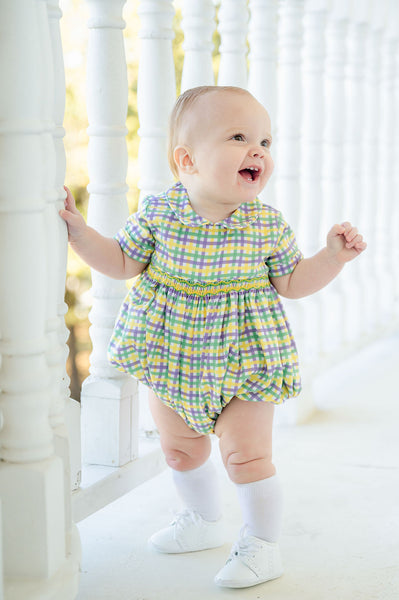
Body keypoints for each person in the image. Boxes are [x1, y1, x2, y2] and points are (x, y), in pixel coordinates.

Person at [60, 85, 367, 589]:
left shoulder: (266, 225)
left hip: (246, 358)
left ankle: (264, 544)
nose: (258, 151)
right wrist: (78, 231)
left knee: (246, 455)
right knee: (180, 449)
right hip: (172, 356)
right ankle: (202, 521)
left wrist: (330, 257)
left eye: (265, 142)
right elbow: (120, 261)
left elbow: (291, 283)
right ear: (188, 159)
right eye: (240, 137)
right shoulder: (162, 214)